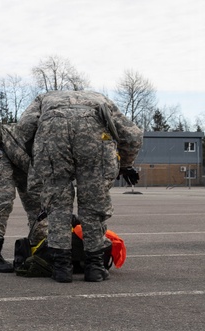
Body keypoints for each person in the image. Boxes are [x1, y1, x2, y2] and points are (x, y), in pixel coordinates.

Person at [17, 90, 143, 283]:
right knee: (93, 205)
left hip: (52, 135)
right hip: (94, 138)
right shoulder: (101, 98)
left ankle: (61, 268)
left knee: (57, 205)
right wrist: (125, 164)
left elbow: (24, 127)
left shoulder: (45, 98)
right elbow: (133, 135)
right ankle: (94, 267)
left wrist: (37, 153)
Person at [0, 121, 46, 272]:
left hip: (22, 158)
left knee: (38, 205)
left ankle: (39, 251)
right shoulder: (53, 141)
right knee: (1, 200)